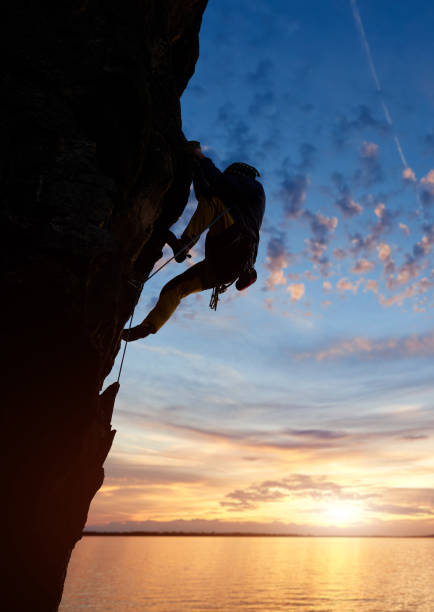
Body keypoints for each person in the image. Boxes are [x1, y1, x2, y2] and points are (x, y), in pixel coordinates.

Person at [122, 143, 266, 341]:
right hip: (226, 266)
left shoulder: (253, 187)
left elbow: (218, 185)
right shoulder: (243, 198)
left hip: (235, 245)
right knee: (174, 289)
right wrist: (198, 170)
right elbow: (206, 192)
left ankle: (185, 243)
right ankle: (148, 326)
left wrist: (200, 157)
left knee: (212, 200)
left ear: (239, 174)